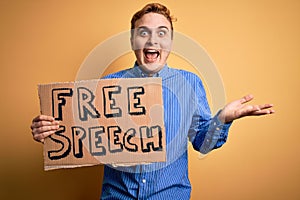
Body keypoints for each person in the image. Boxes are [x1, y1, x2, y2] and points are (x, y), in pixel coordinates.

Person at [31, 3, 274, 199]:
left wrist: (221, 120)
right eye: (143, 33)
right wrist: (53, 130)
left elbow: (203, 143)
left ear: (170, 42)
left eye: (161, 33)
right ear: (132, 41)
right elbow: (83, 134)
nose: (152, 40)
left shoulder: (189, 84)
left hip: (170, 196)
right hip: (117, 195)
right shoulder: (106, 86)